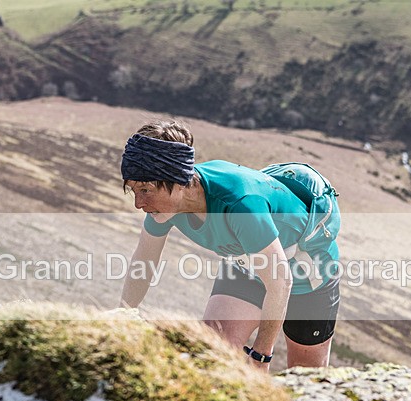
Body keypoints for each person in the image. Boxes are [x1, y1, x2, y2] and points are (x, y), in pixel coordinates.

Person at [119, 120, 340, 371]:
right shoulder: (163, 207)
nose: (139, 203)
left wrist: (260, 356)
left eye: (146, 190)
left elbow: (281, 282)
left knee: (305, 376)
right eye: (134, 190)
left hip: (307, 277)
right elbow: (144, 262)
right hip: (246, 266)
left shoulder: (240, 205)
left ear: (178, 182)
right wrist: (123, 316)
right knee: (211, 353)